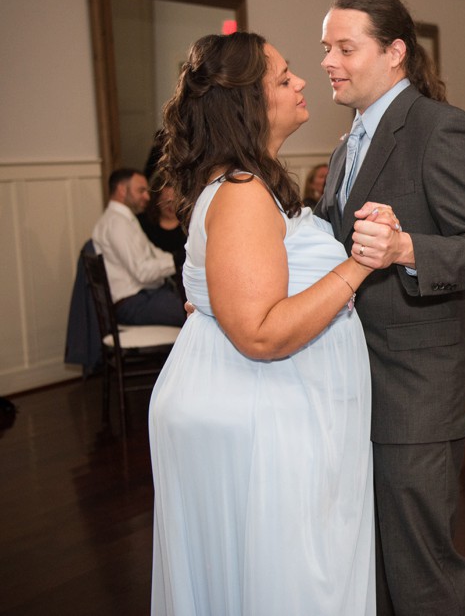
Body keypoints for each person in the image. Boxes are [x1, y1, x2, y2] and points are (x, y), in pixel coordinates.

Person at [149, 32, 379, 614]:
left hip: (267, 404)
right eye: (282, 79)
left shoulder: (249, 183)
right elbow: (260, 333)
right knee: (282, 580)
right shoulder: (243, 191)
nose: (301, 82)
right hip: (258, 415)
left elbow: (240, 288)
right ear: (245, 104)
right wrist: (359, 264)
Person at [316, 0, 465, 615]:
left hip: (416, 389)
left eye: (346, 48)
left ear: (395, 52)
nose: (329, 61)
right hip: (354, 386)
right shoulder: (348, 145)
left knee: (420, 566)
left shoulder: (438, 126)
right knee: (372, 560)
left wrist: (404, 248)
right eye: (327, 49)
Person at [91, 168, 185, 327]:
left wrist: (179, 258)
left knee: (196, 306)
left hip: (144, 297)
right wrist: (177, 260)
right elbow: (142, 272)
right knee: (198, 314)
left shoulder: (124, 219)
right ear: (122, 190)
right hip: (133, 303)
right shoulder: (117, 224)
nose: (147, 197)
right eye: (141, 191)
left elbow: (153, 253)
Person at [138, 176, 187, 289]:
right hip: (152, 285)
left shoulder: (189, 226)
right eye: (166, 201)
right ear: (157, 200)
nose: (170, 206)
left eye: (175, 201)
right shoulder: (143, 223)